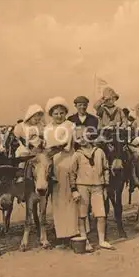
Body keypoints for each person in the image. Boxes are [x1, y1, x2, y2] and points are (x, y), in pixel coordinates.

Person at [69, 128, 115, 252]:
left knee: (101, 215)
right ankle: (85, 240)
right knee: (82, 215)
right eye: (79, 138)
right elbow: (72, 173)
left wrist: (105, 186)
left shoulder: (99, 152)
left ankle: (101, 240)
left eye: (84, 136)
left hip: (98, 187)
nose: (82, 140)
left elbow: (106, 169)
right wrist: (74, 189)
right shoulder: (77, 155)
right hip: (82, 186)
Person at [43, 96, 78, 248]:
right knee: (57, 199)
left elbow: (67, 145)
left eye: (61, 113)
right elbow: (46, 146)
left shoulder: (70, 125)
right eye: (55, 113)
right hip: (53, 165)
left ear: (65, 113)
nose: (59, 116)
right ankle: (61, 233)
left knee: (70, 197)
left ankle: (74, 232)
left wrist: (53, 148)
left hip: (67, 161)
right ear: (51, 114)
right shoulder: (47, 128)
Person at [13, 104, 45, 183]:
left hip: (38, 148)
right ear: (30, 116)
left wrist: (40, 141)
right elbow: (17, 139)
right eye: (35, 117)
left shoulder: (41, 126)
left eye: (39, 118)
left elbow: (43, 137)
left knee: (42, 159)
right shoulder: (21, 126)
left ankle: (40, 178)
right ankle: (21, 175)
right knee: (23, 156)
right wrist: (29, 145)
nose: (37, 120)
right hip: (25, 147)